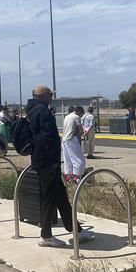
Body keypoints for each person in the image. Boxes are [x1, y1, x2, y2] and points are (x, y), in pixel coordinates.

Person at [27, 86, 93, 247]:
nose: (51, 97)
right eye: (50, 94)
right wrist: (55, 161)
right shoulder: (42, 111)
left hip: (42, 160)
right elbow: (48, 137)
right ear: (43, 95)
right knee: (50, 197)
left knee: (60, 196)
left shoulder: (33, 110)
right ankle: (46, 236)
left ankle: (76, 230)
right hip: (48, 162)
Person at [62, 106, 86, 183]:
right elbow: (81, 131)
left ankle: (69, 177)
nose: (81, 116)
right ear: (79, 111)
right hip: (72, 139)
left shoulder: (67, 117)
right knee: (79, 160)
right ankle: (77, 178)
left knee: (68, 160)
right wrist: (82, 134)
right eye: (81, 114)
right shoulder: (76, 117)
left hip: (64, 140)